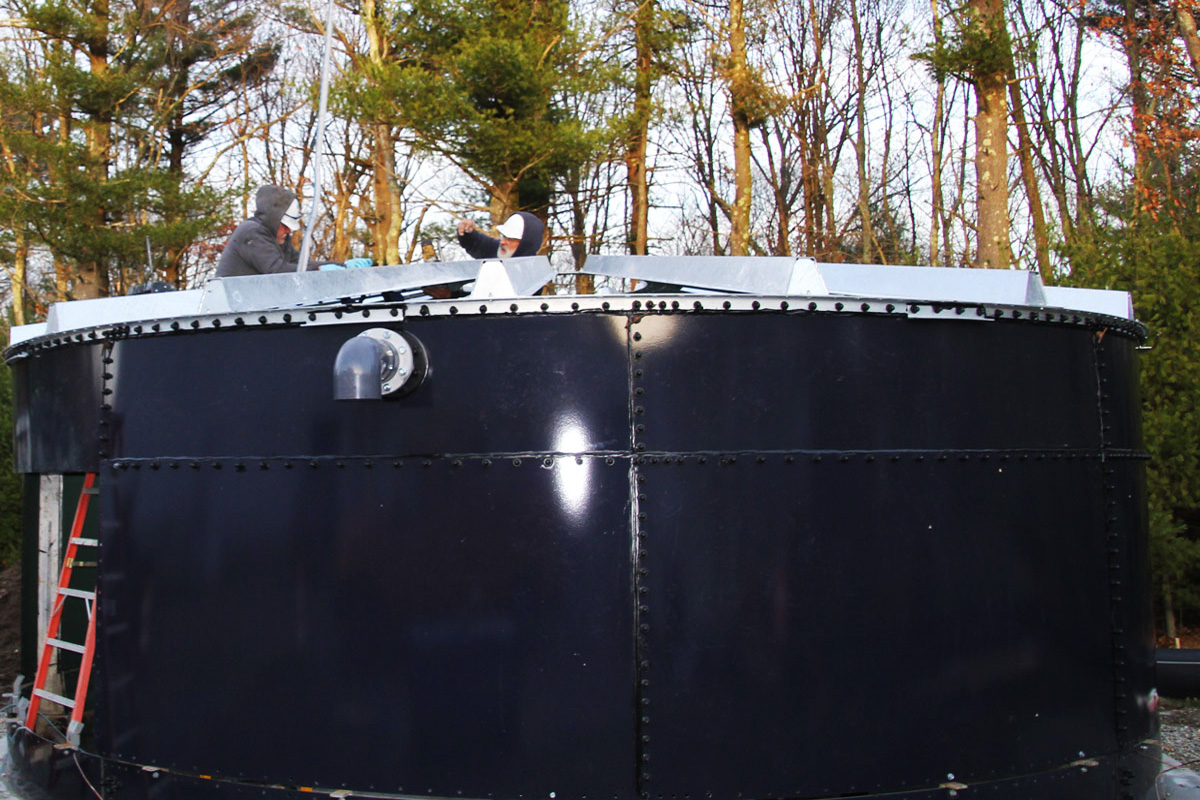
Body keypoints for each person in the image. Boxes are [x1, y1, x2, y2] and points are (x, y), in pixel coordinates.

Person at [216, 185, 304, 278]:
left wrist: (320, 267)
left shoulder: (280, 239)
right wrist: (317, 269)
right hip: (232, 291)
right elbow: (277, 270)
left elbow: (301, 262)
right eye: (285, 226)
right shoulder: (252, 232)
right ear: (274, 220)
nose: (288, 231)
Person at [456, 211, 545, 259]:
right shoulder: (497, 250)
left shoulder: (535, 274)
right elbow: (478, 243)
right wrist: (468, 232)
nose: (502, 242)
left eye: (510, 239)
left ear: (525, 245)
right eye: (504, 236)